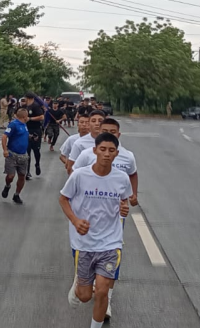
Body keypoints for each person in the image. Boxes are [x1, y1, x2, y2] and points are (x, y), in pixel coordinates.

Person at [59, 132, 131, 328]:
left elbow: (125, 201)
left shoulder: (122, 178)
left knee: (101, 290)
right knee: (84, 296)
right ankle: (78, 285)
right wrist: (75, 221)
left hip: (110, 243)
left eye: (111, 150)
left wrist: (124, 208)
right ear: (94, 151)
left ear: (116, 153)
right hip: (84, 244)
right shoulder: (80, 176)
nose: (107, 154)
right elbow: (63, 199)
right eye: (103, 149)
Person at [1, 108, 30, 204]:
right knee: (11, 175)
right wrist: (5, 150)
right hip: (12, 154)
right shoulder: (13, 124)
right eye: (27, 116)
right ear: (24, 117)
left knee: (22, 175)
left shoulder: (24, 125)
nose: (28, 117)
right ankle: (7, 185)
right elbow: (4, 136)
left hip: (23, 155)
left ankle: (17, 194)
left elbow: (22, 135)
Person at [66, 110, 107, 175]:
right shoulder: (79, 143)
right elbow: (70, 168)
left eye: (100, 121)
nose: (97, 123)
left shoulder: (112, 142)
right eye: (93, 121)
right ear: (89, 124)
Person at [24, 92, 46, 177]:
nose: (24, 99)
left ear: (29, 98)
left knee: (36, 151)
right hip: (27, 131)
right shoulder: (25, 107)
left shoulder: (35, 106)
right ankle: (27, 171)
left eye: (25, 98)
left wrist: (30, 118)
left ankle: (37, 164)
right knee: (27, 152)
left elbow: (42, 117)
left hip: (36, 131)